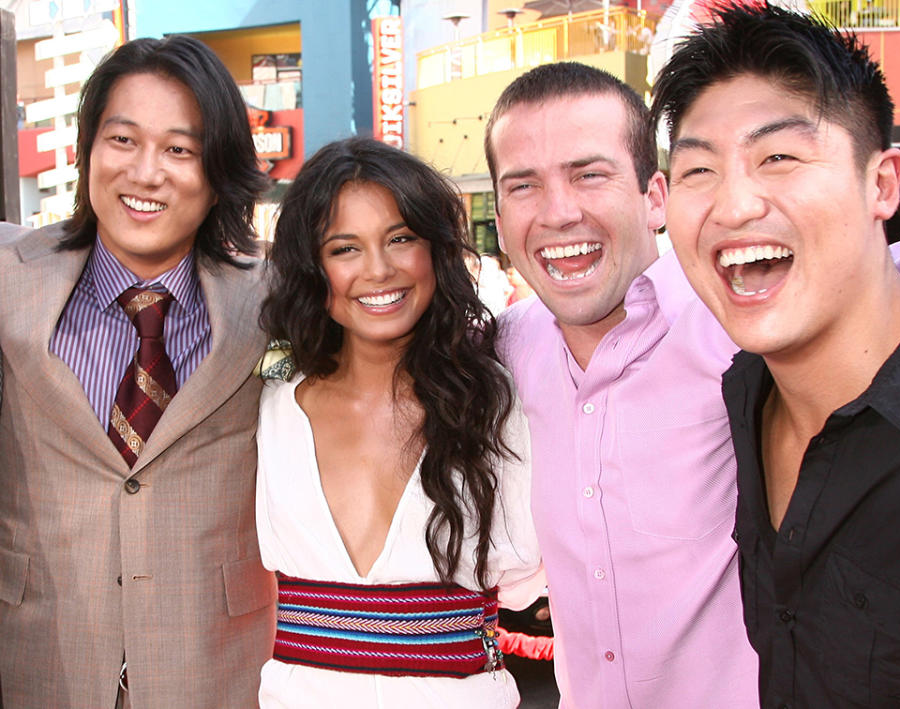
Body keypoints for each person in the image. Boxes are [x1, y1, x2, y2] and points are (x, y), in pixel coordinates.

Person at [485, 61, 900, 707]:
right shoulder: (507, 347)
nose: (559, 211)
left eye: (590, 174)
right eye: (523, 186)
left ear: (655, 195)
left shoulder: (740, 313)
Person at [652, 4, 900, 706]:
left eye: (778, 157)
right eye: (700, 168)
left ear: (882, 184)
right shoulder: (743, 389)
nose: (733, 205)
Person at [0, 36, 275, 708]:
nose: (146, 173)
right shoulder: (10, 282)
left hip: (221, 671)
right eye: (122, 140)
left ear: (217, 170)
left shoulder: (275, 297)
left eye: (180, 150)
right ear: (86, 149)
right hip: (38, 664)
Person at [256, 136, 542, 708]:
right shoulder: (266, 410)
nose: (379, 270)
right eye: (345, 248)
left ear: (435, 249)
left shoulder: (502, 404)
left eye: (400, 238)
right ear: (313, 268)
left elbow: (529, 581)